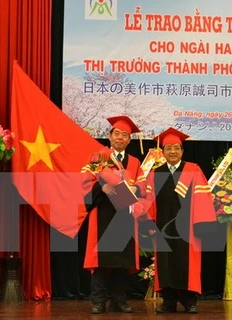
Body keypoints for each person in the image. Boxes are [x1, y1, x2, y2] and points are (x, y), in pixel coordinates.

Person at [144, 127, 217, 314]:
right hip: (162, 226)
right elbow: (149, 202)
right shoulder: (155, 173)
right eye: (168, 148)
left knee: (186, 263)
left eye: (176, 148)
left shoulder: (192, 170)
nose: (173, 151)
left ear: (182, 151)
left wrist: (200, 224)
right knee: (165, 263)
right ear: (163, 151)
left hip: (188, 227)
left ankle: (189, 301)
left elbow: (202, 198)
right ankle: (168, 301)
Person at [81, 115, 147, 314]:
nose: (120, 138)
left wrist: (135, 190)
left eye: (124, 135)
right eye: (116, 133)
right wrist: (103, 187)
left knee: (120, 260)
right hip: (103, 213)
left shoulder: (134, 163)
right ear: (109, 136)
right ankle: (98, 301)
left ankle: (119, 300)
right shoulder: (98, 158)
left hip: (124, 215)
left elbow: (143, 186)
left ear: (129, 140)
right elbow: (84, 183)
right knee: (101, 261)